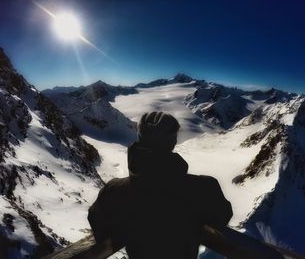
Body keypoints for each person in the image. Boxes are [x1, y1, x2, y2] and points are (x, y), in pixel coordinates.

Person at [88, 111, 233, 259]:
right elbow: (222, 216)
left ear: (140, 138)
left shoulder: (113, 190)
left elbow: (98, 223)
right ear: (172, 142)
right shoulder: (204, 188)